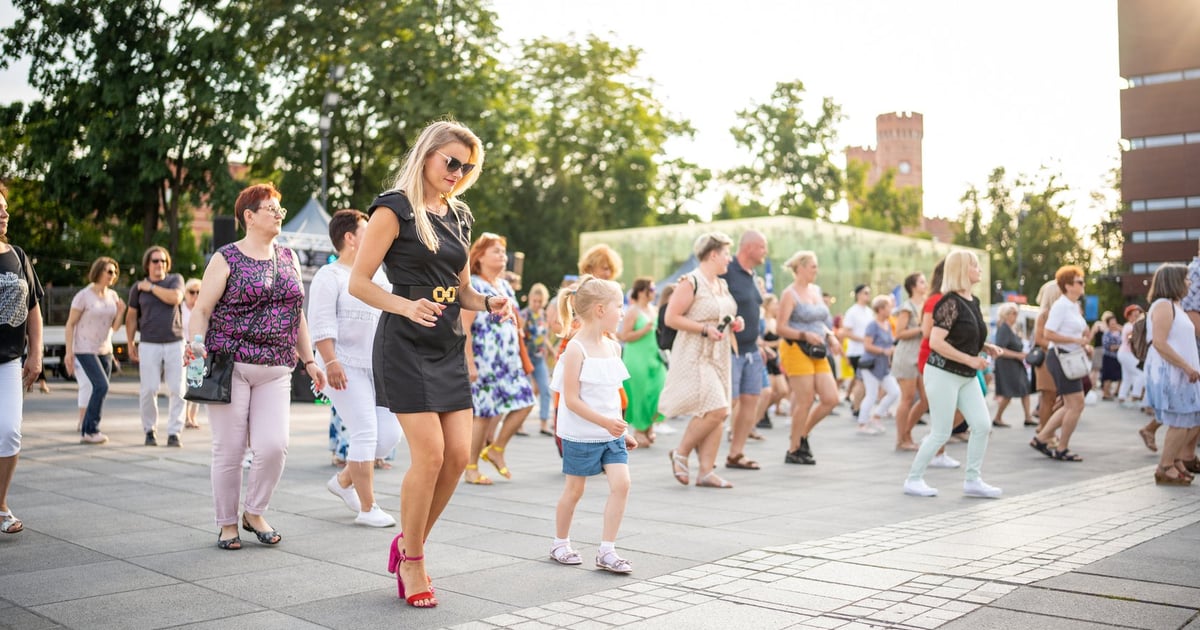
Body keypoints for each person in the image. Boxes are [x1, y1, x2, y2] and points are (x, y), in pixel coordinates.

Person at [349, 120, 512, 608]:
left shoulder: (459, 214)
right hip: (403, 342)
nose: (458, 173)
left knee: (459, 456)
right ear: (427, 155)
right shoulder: (393, 209)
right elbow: (360, 282)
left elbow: (461, 288)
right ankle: (415, 560)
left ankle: (406, 542)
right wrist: (405, 306)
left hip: (446, 343)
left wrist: (487, 303)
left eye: (468, 167)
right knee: (431, 455)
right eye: (452, 162)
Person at [188, 182, 327, 551]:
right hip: (231, 365)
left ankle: (254, 511)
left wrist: (310, 359)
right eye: (272, 208)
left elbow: (296, 312)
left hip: (277, 366)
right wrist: (195, 347)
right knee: (229, 450)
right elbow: (202, 310)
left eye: (281, 208)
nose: (279, 214)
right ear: (248, 216)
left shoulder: (289, 257)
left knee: (274, 446)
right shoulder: (226, 257)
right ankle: (226, 523)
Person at [309, 209, 403, 527]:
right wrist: (331, 361)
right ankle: (367, 507)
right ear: (350, 238)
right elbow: (320, 323)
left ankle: (343, 481)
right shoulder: (329, 276)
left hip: (377, 366)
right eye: (367, 229)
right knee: (364, 431)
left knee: (388, 436)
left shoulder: (378, 276)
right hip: (341, 364)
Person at [548, 276, 638, 572]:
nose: (623, 313)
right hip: (582, 435)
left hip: (610, 434)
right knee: (574, 491)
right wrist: (606, 423)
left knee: (622, 484)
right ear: (600, 310)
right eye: (619, 306)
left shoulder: (613, 347)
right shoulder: (575, 349)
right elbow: (571, 400)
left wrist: (621, 430)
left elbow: (610, 395)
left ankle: (607, 551)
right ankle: (560, 542)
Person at [904, 251, 1005, 498]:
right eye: (974, 265)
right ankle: (913, 479)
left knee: (982, 425)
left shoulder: (973, 301)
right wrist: (971, 358)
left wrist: (984, 346)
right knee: (941, 431)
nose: (979, 269)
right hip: (942, 373)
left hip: (965, 374)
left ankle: (973, 480)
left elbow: (963, 337)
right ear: (962, 270)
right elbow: (936, 342)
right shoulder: (948, 302)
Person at [660, 232, 741, 488]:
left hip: (719, 353)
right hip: (696, 353)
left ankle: (706, 471)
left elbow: (724, 313)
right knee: (718, 409)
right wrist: (704, 329)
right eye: (727, 253)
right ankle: (681, 453)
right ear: (713, 254)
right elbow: (670, 318)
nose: (730, 259)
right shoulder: (690, 281)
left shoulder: (722, 284)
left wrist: (736, 322)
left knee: (716, 413)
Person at [462, 232, 535, 484]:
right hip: (485, 359)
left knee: (526, 402)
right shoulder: (473, 284)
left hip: (508, 359)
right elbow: (465, 326)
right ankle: (470, 467)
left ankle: (496, 449)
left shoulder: (503, 285)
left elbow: (513, 317)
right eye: (496, 251)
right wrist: (469, 360)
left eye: (503, 252)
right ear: (479, 256)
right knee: (483, 413)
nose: (503, 256)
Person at [0, 183, 45, 534]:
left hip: (10, 360)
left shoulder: (17, 255)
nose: (4, 214)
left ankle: (0, 505)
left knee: (10, 432)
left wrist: (36, 354)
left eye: (5, 208)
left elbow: (34, 308)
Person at [777, 251, 841, 465]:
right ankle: (794, 449)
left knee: (831, 398)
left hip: (818, 349)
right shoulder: (789, 294)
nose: (816, 270)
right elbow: (780, 328)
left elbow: (820, 321)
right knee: (805, 399)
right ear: (801, 268)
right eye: (813, 266)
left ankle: (802, 434)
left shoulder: (816, 290)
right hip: (796, 348)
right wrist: (804, 335)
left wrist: (830, 336)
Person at [1142, 263, 1200, 485]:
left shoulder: (1176, 305)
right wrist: (1185, 366)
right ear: (1174, 281)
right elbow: (1159, 342)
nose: (1189, 283)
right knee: (1180, 420)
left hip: (1183, 373)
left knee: (1190, 418)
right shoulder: (1164, 306)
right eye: (1185, 279)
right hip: (1171, 374)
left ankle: (1175, 461)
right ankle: (1165, 467)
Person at [904, 259, 962, 469]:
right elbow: (928, 332)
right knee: (938, 405)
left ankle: (933, 443)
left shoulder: (948, 298)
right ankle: (933, 447)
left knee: (937, 404)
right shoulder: (935, 300)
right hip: (932, 357)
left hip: (945, 357)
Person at [126, 246, 186, 447]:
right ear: (147, 264)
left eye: (163, 261)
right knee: (149, 389)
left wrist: (151, 287)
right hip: (149, 343)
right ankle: (150, 430)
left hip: (175, 342)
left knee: (178, 389)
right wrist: (129, 342)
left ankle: (174, 432)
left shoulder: (174, 280)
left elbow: (175, 298)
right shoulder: (137, 288)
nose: (159, 264)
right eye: (155, 261)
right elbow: (131, 316)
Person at [1030, 265, 1091, 462]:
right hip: (1061, 357)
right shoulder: (1061, 305)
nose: (1083, 285)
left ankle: (1042, 438)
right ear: (1067, 286)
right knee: (1076, 404)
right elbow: (1048, 334)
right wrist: (1075, 341)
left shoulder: (1072, 306)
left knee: (1069, 404)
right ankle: (1061, 447)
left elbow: (1078, 330)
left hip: (1069, 358)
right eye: (1079, 282)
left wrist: (1085, 337)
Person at [65, 257, 126, 445]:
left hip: (105, 349)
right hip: (84, 348)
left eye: (115, 272)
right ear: (98, 271)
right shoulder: (83, 296)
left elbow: (114, 328)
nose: (112, 275)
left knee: (100, 388)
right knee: (101, 386)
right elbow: (70, 324)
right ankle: (90, 429)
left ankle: (88, 428)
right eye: (109, 271)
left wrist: (121, 311)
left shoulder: (113, 296)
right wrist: (69, 352)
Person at [721, 230, 767, 470]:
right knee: (726, 404)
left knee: (751, 401)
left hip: (752, 350)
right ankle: (691, 451)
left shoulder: (752, 274)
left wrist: (759, 344)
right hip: (730, 349)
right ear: (749, 247)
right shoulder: (727, 271)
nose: (765, 252)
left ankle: (736, 454)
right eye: (762, 247)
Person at [618, 277, 666, 448]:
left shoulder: (653, 310)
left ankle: (649, 426)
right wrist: (644, 330)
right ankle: (640, 429)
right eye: (651, 289)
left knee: (658, 389)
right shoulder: (633, 311)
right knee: (640, 392)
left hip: (654, 357)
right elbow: (624, 336)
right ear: (641, 291)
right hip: (637, 357)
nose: (654, 292)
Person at [892, 272, 927, 450]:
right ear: (913, 286)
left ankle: (907, 432)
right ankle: (901, 439)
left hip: (920, 355)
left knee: (925, 399)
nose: (925, 284)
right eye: (922, 282)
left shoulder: (926, 305)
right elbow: (899, 334)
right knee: (907, 398)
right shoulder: (907, 307)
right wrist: (921, 328)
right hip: (906, 355)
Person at [858, 295, 900, 435]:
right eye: (888, 307)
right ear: (880, 309)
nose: (890, 309)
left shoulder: (888, 325)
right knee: (871, 394)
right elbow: (867, 345)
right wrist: (884, 350)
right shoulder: (872, 325)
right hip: (871, 365)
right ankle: (862, 423)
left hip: (883, 366)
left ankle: (877, 416)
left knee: (894, 392)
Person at [521, 282, 554, 436]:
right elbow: (520, 337)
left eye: (540, 301)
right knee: (526, 391)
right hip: (526, 358)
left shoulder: (544, 315)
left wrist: (551, 350)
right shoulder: (524, 314)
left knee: (545, 389)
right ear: (530, 299)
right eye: (534, 301)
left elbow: (543, 336)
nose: (537, 304)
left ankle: (544, 423)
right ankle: (519, 424)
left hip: (539, 357)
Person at [992, 303, 1032, 427]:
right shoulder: (1004, 328)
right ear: (1006, 314)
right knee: (1008, 392)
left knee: (1024, 389)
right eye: (1013, 313)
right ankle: (998, 417)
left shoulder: (1012, 328)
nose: (1016, 316)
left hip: (1015, 364)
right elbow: (1000, 349)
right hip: (1007, 364)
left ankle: (1028, 416)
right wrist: (1017, 355)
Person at [1031, 280, 1063, 434]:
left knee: (1052, 398)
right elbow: (1038, 339)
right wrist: (1058, 344)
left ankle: (1046, 430)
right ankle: (1045, 432)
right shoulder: (1044, 314)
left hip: (1052, 359)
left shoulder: (1053, 313)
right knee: (1048, 398)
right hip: (1046, 360)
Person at [841, 285, 874, 415]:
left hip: (868, 351)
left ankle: (857, 405)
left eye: (869, 293)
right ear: (858, 294)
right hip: (857, 351)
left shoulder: (869, 311)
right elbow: (846, 332)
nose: (868, 295)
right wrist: (863, 340)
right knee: (861, 380)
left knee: (865, 381)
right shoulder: (852, 312)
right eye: (866, 293)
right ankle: (856, 407)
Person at [181, 278, 203, 429]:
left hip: (197, 349)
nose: (195, 295)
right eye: (192, 292)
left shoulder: (202, 309)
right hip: (182, 348)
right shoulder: (180, 309)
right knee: (183, 385)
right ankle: (183, 416)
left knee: (196, 384)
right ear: (186, 293)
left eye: (198, 292)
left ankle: (192, 417)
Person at [1117, 304, 1145, 409]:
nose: (1137, 317)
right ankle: (1135, 397)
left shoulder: (1129, 326)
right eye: (1135, 315)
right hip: (1126, 353)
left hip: (1125, 354)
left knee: (1127, 377)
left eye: (1138, 315)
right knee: (1141, 374)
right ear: (1129, 316)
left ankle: (1122, 397)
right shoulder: (1129, 326)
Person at [1100, 315, 1124, 400]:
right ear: (1108, 324)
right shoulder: (1107, 333)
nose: (1114, 324)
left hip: (1118, 357)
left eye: (1115, 322)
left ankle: (1116, 392)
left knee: (1120, 376)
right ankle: (1106, 393)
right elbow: (1108, 346)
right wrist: (1120, 346)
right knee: (1107, 376)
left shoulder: (1119, 332)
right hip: (1108, 357)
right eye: (1112, 323)